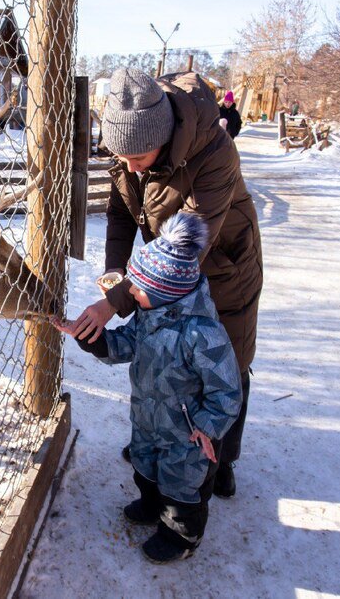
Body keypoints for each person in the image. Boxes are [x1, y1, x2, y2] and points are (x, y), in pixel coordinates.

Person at [66, 67, 262, 499]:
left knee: (226, 358)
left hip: (221, 264)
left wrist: (115, 303)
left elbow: (186, 244)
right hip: (160, 269)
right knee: (167, 353)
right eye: (122, 158)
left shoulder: (214, 152)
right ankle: (162, 441)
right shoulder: (129, 155)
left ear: (165, 135)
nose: (129, 167)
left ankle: (222, 457)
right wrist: (116, 276)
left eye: (138, 157)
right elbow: (121, 214)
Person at [55, 213, 241, 563]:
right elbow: (126, 343)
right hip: (147, 416)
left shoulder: (203, 334)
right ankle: (152, 503)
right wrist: (93, 340)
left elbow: (227, 391)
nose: (131, 292)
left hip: (187, 434)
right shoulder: (149, 313)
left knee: (181, 483)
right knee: (145, 463)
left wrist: (207, 427)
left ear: (165, 290)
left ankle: (180, 536)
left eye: (138, 288)